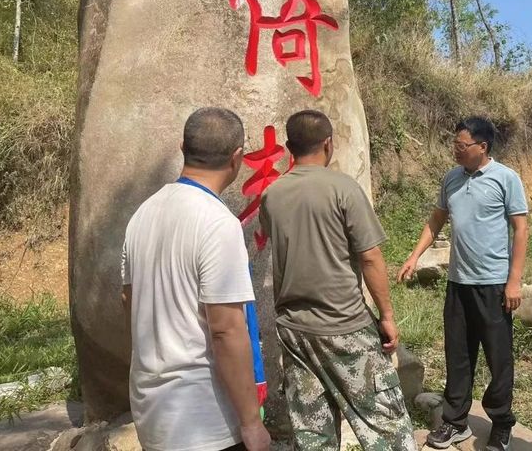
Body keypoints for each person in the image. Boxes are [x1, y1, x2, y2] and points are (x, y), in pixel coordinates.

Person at [259, 109, 417, 451]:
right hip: (344, 325)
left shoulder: (273, 194)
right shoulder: (343, 189)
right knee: (387, 427)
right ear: (328, 144)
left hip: (295, 331)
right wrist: (387, 316)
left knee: (313, 434)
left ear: (289, 147)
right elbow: (370, 256)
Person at [121, 107, 270, 451]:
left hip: (152, 412)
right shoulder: (217, 223)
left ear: (182, 148)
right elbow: (226, 330)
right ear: (237, 157)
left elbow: (129, 300)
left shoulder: (142, 214)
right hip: (204, 420)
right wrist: (251, 422)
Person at [398, 116, 529, 451]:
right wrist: (414, 256)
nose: (455, 150)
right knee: (458, 355)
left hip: (494, 284)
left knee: (499, 359)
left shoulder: (506, 178)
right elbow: (436, 220)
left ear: (482, 146)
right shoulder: (452, 178)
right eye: (454, 144)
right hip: (458, 283)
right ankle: (455, 421)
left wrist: (514, 281)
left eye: (461, 145)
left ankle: (501, 422)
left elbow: (520, 229)